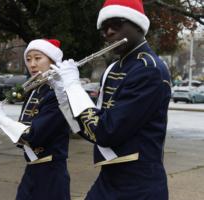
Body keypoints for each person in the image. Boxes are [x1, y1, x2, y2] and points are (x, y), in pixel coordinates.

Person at [49, 0, 171, 199]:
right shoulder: (113, 68)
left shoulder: (149, 70)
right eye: (103, 28)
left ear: (138, 25)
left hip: (139, 185)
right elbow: (92, 129)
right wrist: (63, 93)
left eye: (116, 23)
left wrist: (74, 86)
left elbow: (107, 131)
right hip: (109, 178)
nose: (108, 32)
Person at [0, 39, 71, 200]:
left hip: (51, 174)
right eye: (28, 59)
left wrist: (2, 119)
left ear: (52, 61)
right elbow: (21, 140)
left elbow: (34, 136)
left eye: (38, 58)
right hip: (32, 171)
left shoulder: (57, 93)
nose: (32, 64)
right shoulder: (34, 91)